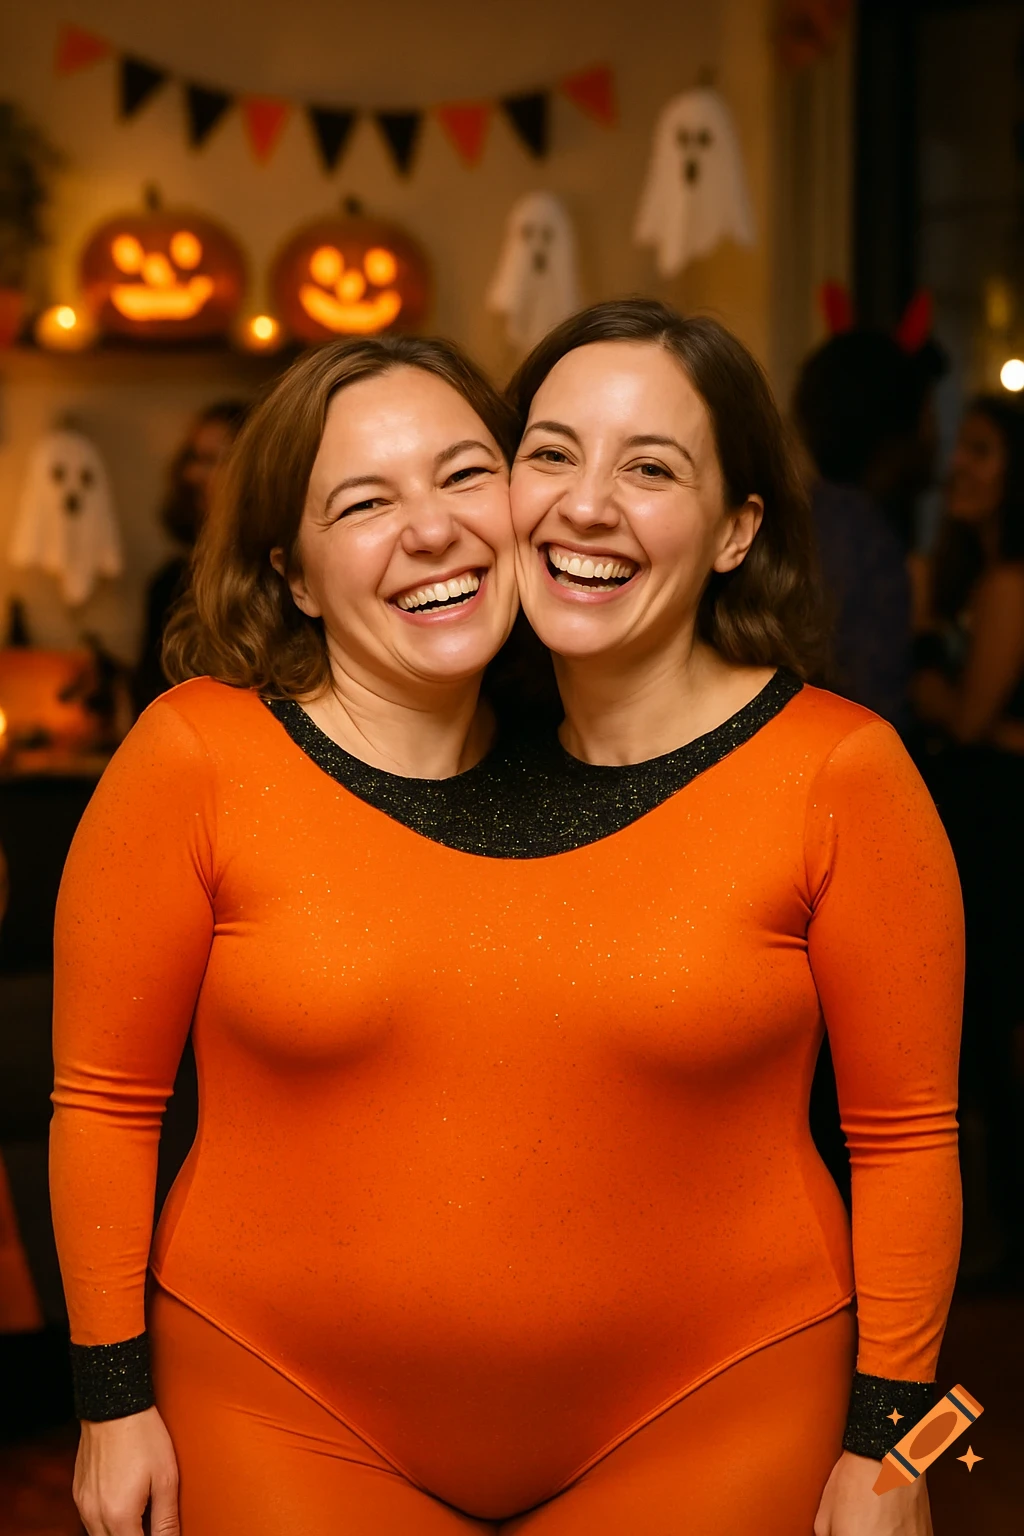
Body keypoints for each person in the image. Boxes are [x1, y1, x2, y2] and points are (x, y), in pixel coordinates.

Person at [502, 300, 963, 1535]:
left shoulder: (841, 774)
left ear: (734, 530)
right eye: (549, 452)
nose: (585, 503)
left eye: (649, 468)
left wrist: (897, 1453)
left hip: (739, 1405)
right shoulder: (454, 762)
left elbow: (908, 1142)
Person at [912, 394, 1024, 1287]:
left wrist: (916, 647)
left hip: (1003, 823)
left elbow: (972, 712)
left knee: (993, 1027)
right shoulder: (973, 576)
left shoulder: (1007, 584)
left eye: (984, 452)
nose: (960, 466)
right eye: (961, 448)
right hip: (985, 810)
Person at [793, 330, 941, 732]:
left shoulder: (801, 515)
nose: (938, 435)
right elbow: (873, 704)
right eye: (929, 413)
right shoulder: (865, 541)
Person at [132, 400, 250, 715]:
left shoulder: (277, 576)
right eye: (194, 459)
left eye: (212, 460)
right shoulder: (169, 584)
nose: (193, 474)